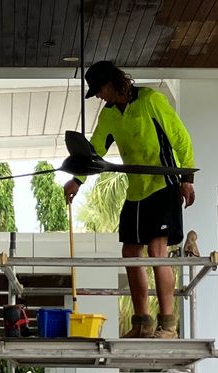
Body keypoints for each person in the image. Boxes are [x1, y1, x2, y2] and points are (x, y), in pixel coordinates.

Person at [63, 61, 196, 338]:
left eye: (99, 90)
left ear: (112, 83)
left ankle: (168, 325)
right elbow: (95, 153)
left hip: (163, 184)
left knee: (157, 252)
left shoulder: (150, 100)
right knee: (131, 253)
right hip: (136, 191)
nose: (99, 96)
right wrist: (77, 180)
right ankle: (142, 324)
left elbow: (181, 138)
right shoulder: (110, 114)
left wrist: (187, 178)